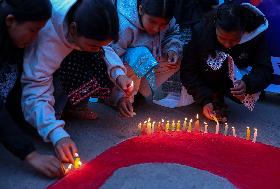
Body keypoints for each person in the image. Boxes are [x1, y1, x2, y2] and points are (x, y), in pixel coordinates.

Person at [21, 0, 131, 165]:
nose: (98, 49)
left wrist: (119, 76)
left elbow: (104, 49)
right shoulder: (47, 38)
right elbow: (35, 89)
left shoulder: (90, 16)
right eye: (93, 45)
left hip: (72, 51)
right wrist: (56, 133)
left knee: (98, 59)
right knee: (39, 122)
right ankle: (56, 112)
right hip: (39, 71)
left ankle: (71, 106)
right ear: (72, 29)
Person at [180, 2, 273, 122]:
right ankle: (214, 97)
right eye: (222, 38)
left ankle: (221, 95)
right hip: (207, 73)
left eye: (234, 40)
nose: (227, 44)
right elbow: (188, 71)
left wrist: (247, 84)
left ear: (243, 31)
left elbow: (265, 70)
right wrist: (205, 100)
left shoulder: (254, 35)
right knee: (213, 61)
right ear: (215, 27)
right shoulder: (202, 31)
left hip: (236, 76)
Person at [0, 0, 62, 178]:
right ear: (10, 20)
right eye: (33, 30)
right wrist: (31, 155)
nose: (36, 38)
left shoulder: (15, 40)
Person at [110, 0, 183, 117]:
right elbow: (111, 60)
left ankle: (138, 94)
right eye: (152, 22)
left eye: (163, 25)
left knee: (175, 59)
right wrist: (120, 96)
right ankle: (117, 98)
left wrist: (172, 49)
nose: (156, 29)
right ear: (140, 9)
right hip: (117, 74)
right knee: (141, 56)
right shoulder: (123, 26)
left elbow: (173, 33)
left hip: (146, 62)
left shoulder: (166, 19)